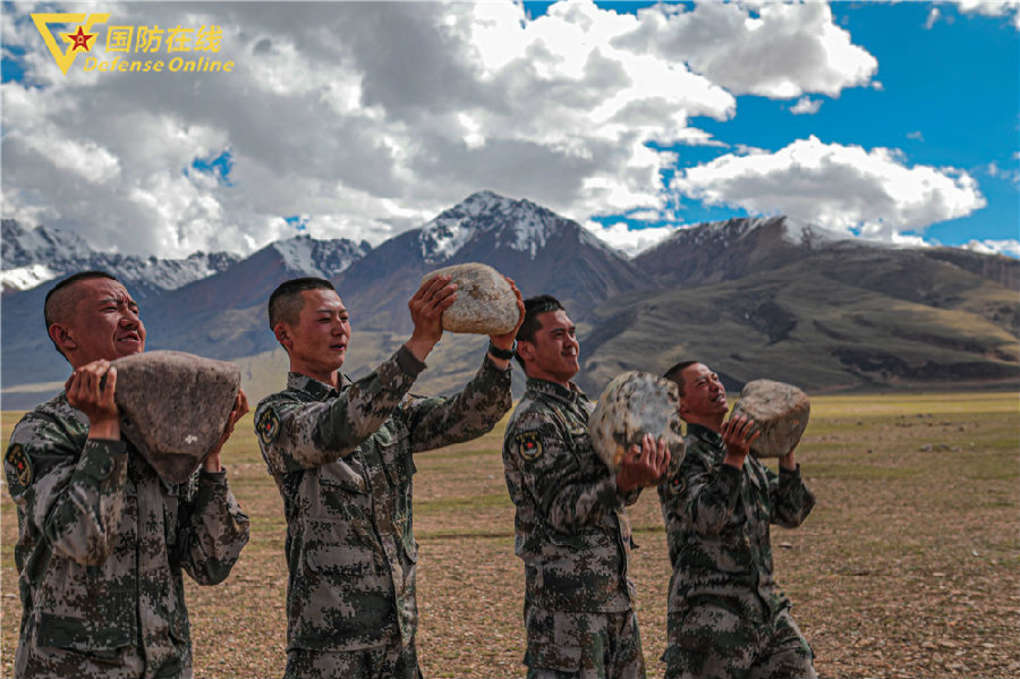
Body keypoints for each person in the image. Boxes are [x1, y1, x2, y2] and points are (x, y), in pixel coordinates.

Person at [254, 274, 523, 679]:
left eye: (344, 317)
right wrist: (420, 344)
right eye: (325, 319)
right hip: (330, 646)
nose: (340, 328)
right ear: (284, 334)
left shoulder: (387, 409)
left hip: (397, 637)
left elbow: (468, 416)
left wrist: (501, 349)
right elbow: (337, 427)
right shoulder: (279, 414)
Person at [4, 271, 250, 679]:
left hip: (165, 666)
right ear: (66, 337)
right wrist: (103, 430)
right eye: (110, 308)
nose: (130, 317)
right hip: (71, 668)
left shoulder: (165, 431)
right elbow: (82, 541)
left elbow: (211, 564)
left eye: (134, 308)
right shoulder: (44, 431)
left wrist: (211, 457)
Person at [501, 295, 670, 679]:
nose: (571, 342)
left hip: (614, 600)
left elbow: (612, 497)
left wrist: (637, 476)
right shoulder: (535, 422)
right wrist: (623, 481)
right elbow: (560, 511)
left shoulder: (586, 411)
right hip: (568, 615)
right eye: (558, 334)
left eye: (573, 333)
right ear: (525, 349)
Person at [658, 361, 816, 679]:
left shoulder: (746, 453)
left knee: (800, 667)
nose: (716, 385)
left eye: (715, 378)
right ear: (680, 405)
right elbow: (707, 519)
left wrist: (786, 454)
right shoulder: (682, 456)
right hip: (711, 614)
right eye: (703, 383)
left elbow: (791, 513)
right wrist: (732, 460)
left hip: (765, 608)